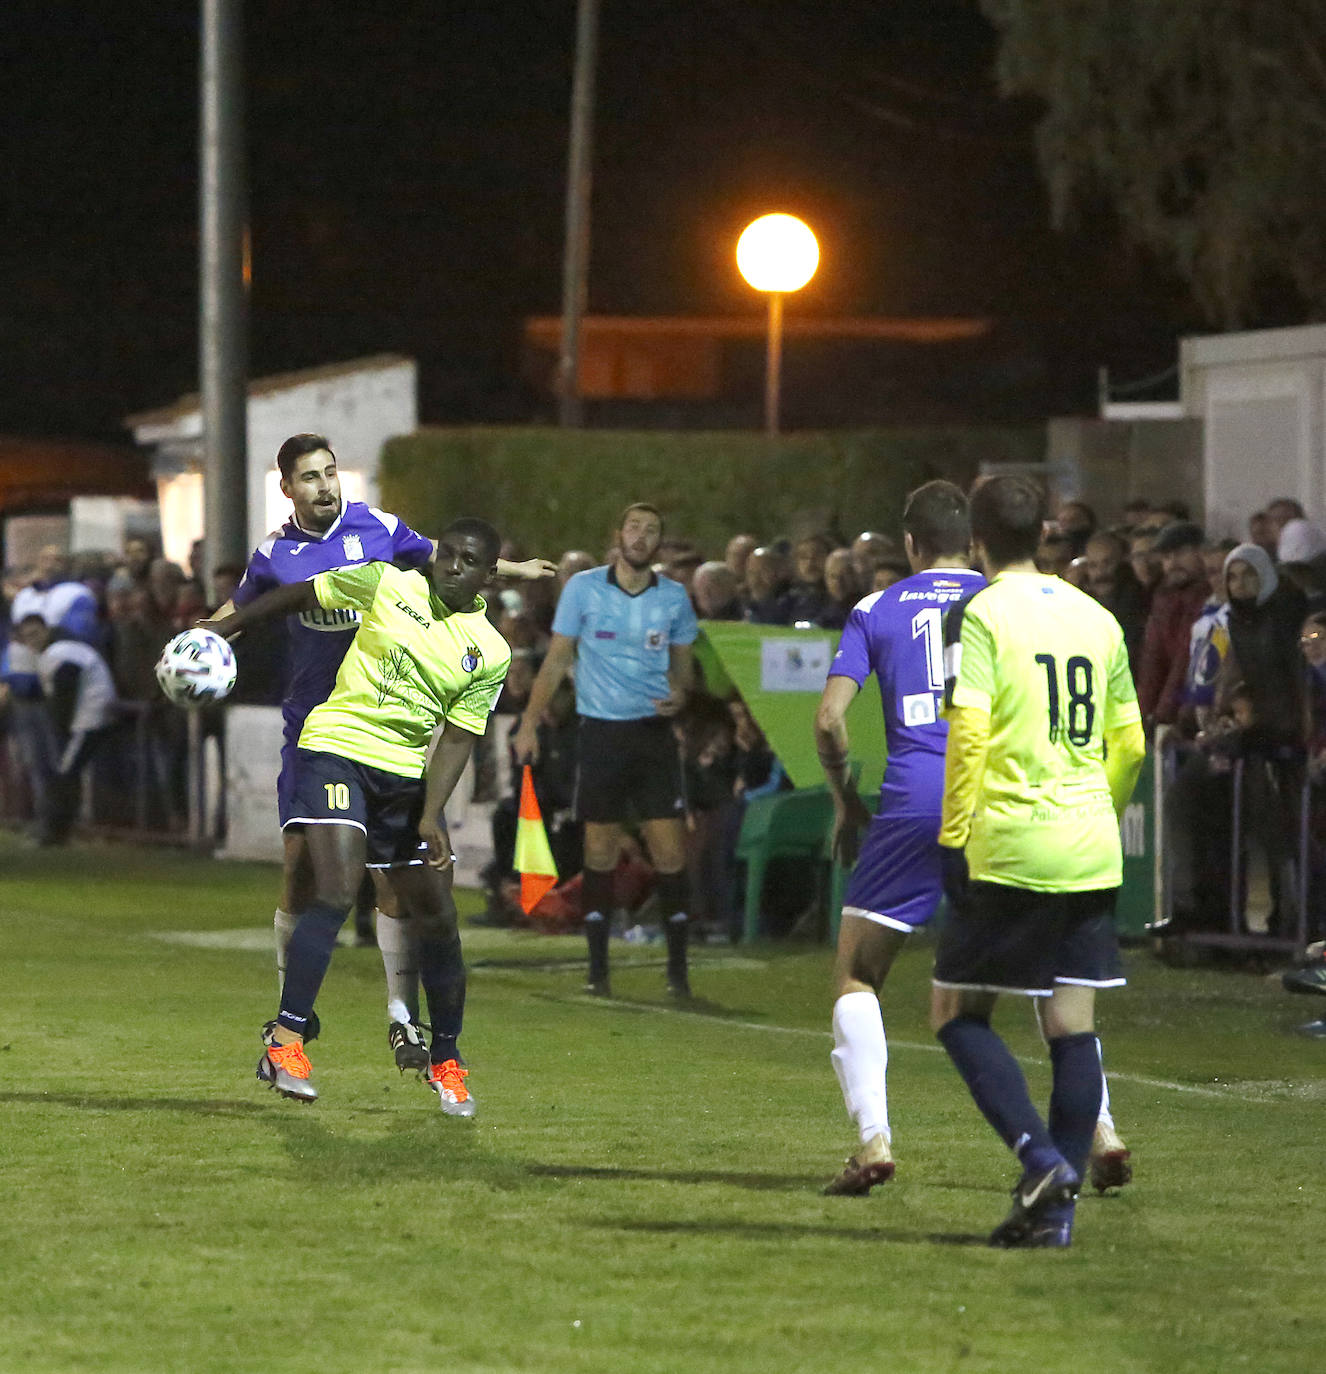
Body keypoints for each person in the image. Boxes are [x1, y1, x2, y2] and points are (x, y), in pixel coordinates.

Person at [212, 433, 551, 1072]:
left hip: (397, 731)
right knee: (301, 869)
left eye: (330, 473)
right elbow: (247, 604)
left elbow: (449, 556)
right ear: (287, 488)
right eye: (309, 477)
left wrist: (519, 568)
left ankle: (404, 1018)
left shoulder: (378, 528)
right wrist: (206, 631)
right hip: (319, 728)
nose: (324, 486)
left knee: (404, 877)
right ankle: (296, 1014)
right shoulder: (274, 555)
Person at [931, 474, 1145, 1249]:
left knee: (957, 1015)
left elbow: (971, 733)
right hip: (1090, 843)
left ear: (977, 539)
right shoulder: (1097, 615)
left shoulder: (981, 612)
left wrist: (955, 834)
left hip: (1014, 841)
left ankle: (1040, 1159)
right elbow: (1131, 744)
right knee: (1071, 1026)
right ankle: (1056, 1215)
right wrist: (1099, 812)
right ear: (1046, 534)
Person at [813, 480, 985, 1194]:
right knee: (1050, 972)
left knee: (858, 972)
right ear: (973, 541)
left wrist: (847, 799)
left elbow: (829, 719)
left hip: (915, 797)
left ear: (910, 544)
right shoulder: (1006, 600)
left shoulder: (875, 608)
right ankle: (1099, 1129)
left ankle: (875, 1140)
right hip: (998, 797)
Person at [513, 502, 698, 998]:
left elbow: (685, 668)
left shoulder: (675, 598)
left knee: (670, 852)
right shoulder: (583, 589)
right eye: (634, 527)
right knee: (598, 849)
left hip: (653, 737)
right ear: (618, 535)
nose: (641, 537)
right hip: (601, 734)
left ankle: (678, 971)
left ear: (659, 543)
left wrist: (680, 694)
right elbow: (555, 663)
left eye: (651, 531)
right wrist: (528, 724)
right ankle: (598, 970)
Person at [12, 614, 118, 845]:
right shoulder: (63, 649)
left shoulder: (59, 652)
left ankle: (55, 831)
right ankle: (60, 828)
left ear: (46, 630)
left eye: (36, 633)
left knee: (64, 773)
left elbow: (65, 688)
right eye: (28, 636)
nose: (33, 640)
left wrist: (62, 725)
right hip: (91, 715)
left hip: (89, 718)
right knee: (67, 773)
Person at [1137, 521, 1209, 729]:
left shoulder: (1206, 599)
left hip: (1193, 715)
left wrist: (1162, 715)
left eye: (1181, 553)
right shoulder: (1162, 599)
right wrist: (1143, 716)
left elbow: (1185, 660)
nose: (1173, 563)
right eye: (1167, 557)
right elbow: (1152, 662)